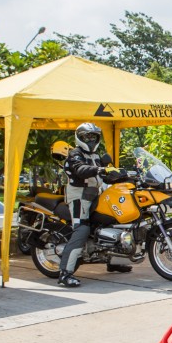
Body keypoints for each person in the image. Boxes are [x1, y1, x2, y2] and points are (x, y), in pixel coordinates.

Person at [56, 122, 133, 287]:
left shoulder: (97, 155)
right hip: (79, 198)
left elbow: (104, 175)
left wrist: (123, 174)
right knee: (82, 229)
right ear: (80, 137)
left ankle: (114, 261)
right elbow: (80, 169)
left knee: (110, 220)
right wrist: (99, 170)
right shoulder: (74, 154)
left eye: (93, 137)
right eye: (87, 137)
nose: (91, 140)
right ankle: (65, 273)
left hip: (96, 194)